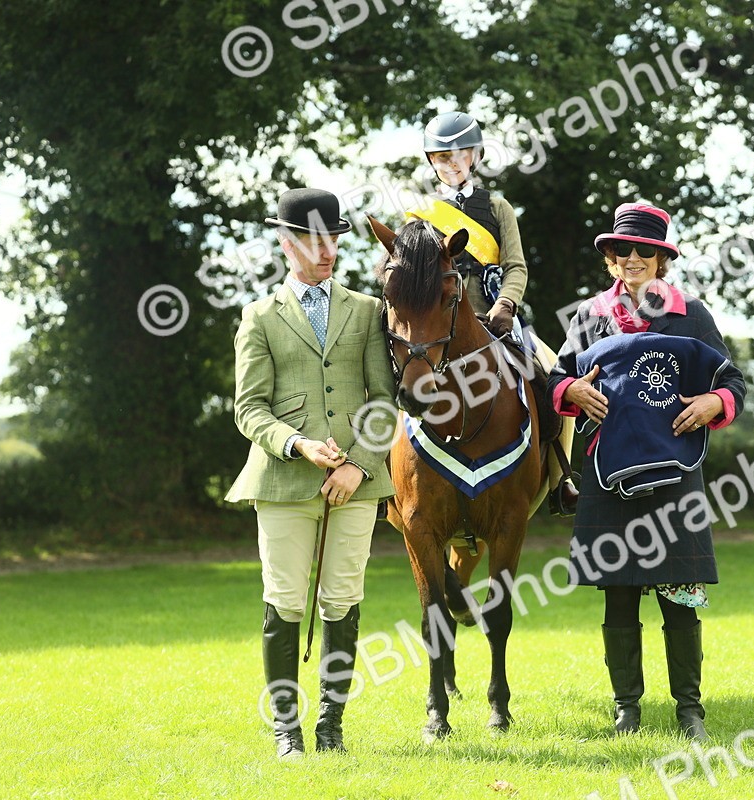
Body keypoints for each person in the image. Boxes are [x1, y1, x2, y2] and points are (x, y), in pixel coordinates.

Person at [547, 202, 747, 741]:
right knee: (618, 592)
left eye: (645, 252)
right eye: (622, 251)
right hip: (606, 472)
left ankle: (690, 711)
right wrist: (572, 390)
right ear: (610, 259)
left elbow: (734, 383)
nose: (632, 259)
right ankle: (626, 710)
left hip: (675, 473)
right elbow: (555, 379)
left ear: (661, 260)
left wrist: (714, 403)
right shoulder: (587, 317)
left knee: (680, 594)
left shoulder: (693, 315)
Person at [225, 188, 397, 759]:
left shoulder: (368, 311)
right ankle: (285, 729)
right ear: (286, 242)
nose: (328, 251)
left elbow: (385, 400)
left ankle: (331, 725)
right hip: (281, 483)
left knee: (344, 600)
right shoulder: (258, 317)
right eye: (315, 241)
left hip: (354, 484)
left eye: (334, 240)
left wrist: (359, 466)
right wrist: (296, 443)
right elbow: (249, 408)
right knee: (284, 602)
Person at [406, 110, 578, 517]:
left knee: (552, 375)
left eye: (459, 155)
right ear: (432, 162)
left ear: (476, 156)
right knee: (392, 374)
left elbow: (516, 265)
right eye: (441, 157)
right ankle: (380, 478)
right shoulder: (420, 217)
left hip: (495, 317)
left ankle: (561, 478)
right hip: (438, 325)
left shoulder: (498, 207)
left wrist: (506, 303)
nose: (450, 164)